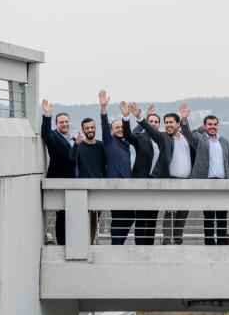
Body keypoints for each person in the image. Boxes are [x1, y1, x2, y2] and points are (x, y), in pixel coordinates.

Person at [131, 102, 195, 245]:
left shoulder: (187, 138)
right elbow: (151, 130)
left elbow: (191, 133)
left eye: (171, 122)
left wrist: (185, 119)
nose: (168, 125)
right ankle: (167, 240)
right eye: (166, 123)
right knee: (170, 212)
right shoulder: (164, 138)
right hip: (170, 180)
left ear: (178, 124)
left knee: (183, 212)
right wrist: (140, 117)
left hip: (187, 181)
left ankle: (177, 240)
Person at [183, 108, 229, 245]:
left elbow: (228, 162)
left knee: (223, 216)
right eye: (209, 124)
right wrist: (184, 120)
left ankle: (222, 243)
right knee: (209, 216)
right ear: (204, 126)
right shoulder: (199, 139)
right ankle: (210, 244)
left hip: (223, 183)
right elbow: (187, 134)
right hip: (207, 182)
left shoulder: (224, 141)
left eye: (215, 124)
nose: (212, 127)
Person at [121, 103, 166, 245]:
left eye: (156, 122)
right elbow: (127, 135)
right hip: (141, 182)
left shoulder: (163, 139)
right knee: (141, 216)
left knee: (153, 217)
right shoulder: (140, 137)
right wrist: (126, 117)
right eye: (150, 121)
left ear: (159, 125)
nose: (153, 123)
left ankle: (149, 247)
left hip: (157, 184)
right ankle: (140, 247)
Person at [98, 90, 135, 246]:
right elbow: (104, 124)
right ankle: (116, 246)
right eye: (116, 127)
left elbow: (139, 130)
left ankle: (120, 242)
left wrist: (140, 116)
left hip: (128, 187)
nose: (120, 129)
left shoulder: (127, 142)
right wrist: (103, 108)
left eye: (121, 127)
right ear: (112, 131)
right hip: (114, 186)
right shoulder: (108, 141)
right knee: (118, 217)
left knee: (131, 216)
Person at [40, 99, 75, 245]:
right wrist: (47, 114)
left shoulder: (74, 139)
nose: (65, 124)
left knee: (70, 215)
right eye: (61, 122)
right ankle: (61, 243)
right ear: (56, 124)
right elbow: (45, 134)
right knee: (62, 215)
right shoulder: (53, 136)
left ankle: (70, 241)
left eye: (66, 121)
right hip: (60, 180)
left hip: (74, 181)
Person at [70, 118, 107, 243]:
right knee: (84, 219)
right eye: (87, 128)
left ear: (95, 128)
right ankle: (85, 243)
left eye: (92, 127)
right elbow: (71, 159)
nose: (90, 130)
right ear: (83, 130)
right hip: (83, 188)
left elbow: (106, 164)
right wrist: (76, 145)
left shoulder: (101, 145)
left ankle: (91, 242)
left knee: (95, 220)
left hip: (99, 188)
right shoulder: (79, 145)